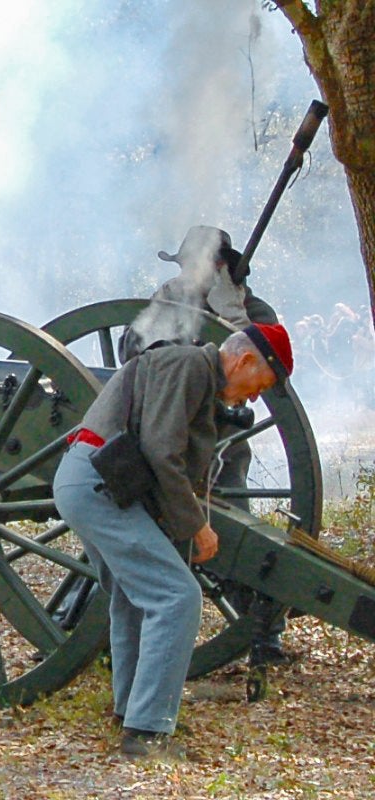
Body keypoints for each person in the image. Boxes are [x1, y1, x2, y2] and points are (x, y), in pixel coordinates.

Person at [53, 322, 294, 760]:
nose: (256, 397)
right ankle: (147, 735)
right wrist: (196, 525)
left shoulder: (198, 377)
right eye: (262, 383)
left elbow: (175, 456)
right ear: (243, 361)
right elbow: (163, 451)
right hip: (99, 480)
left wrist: (189, 521)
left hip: (98, 481)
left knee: (132, 598)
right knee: (178, 597)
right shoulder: (189, 366)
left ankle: (130, 710)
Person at [117, 225, 290, 667]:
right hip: (163, 435)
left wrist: (231, 316)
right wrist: (164, 310)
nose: (189, 273)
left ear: (220, 267)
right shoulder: (171, 298)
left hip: (223, 442)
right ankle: (77, 619)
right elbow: (132, 354)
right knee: (130, 522)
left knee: (237, 535)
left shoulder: (253, 308)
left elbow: (265, 372)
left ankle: (264, 634)